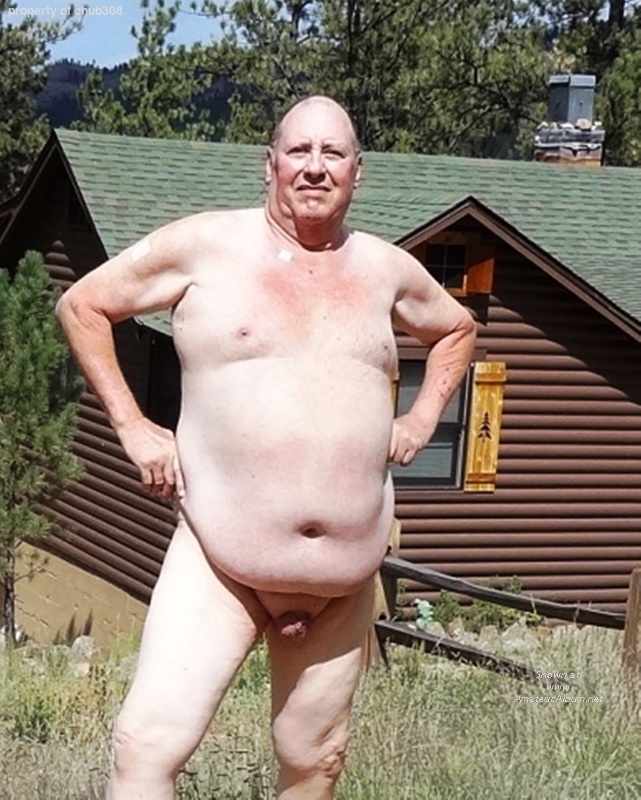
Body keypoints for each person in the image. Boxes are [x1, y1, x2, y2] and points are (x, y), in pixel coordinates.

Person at [56, 95, 476, 799]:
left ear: (358, 171)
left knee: (314, 760)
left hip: (342, 582)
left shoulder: (386, 269)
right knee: (147, 746)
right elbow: (83, 305)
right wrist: (132, 425)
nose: (315, 167)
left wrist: (423, 417)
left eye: (332, 153)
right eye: (299, 151)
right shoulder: (205, 246)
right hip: (219, 561)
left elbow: (456, 329)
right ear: (270, 164)